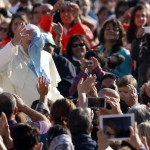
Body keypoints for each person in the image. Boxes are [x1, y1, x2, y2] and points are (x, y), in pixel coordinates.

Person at [0, 23, 63, 106]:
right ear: (21, 41)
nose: (33, 46)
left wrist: (62, 102)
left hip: (45, 110)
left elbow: (52, 88)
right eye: (30, 42)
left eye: (36, 41)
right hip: (21, 113)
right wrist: (14, 42)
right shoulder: (11, 55)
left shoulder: (46, 56)